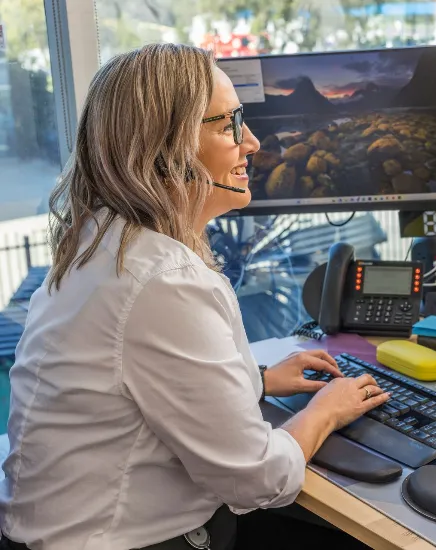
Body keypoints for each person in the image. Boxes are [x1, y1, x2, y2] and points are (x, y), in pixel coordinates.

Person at [0, 43, 390, 550]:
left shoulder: (100, 241)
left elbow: (132, 383)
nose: (251, 142)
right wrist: (327, 411)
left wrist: (259, 381)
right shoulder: (163, 281)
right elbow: (260, 479)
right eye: (228, 124)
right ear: (167, 148)